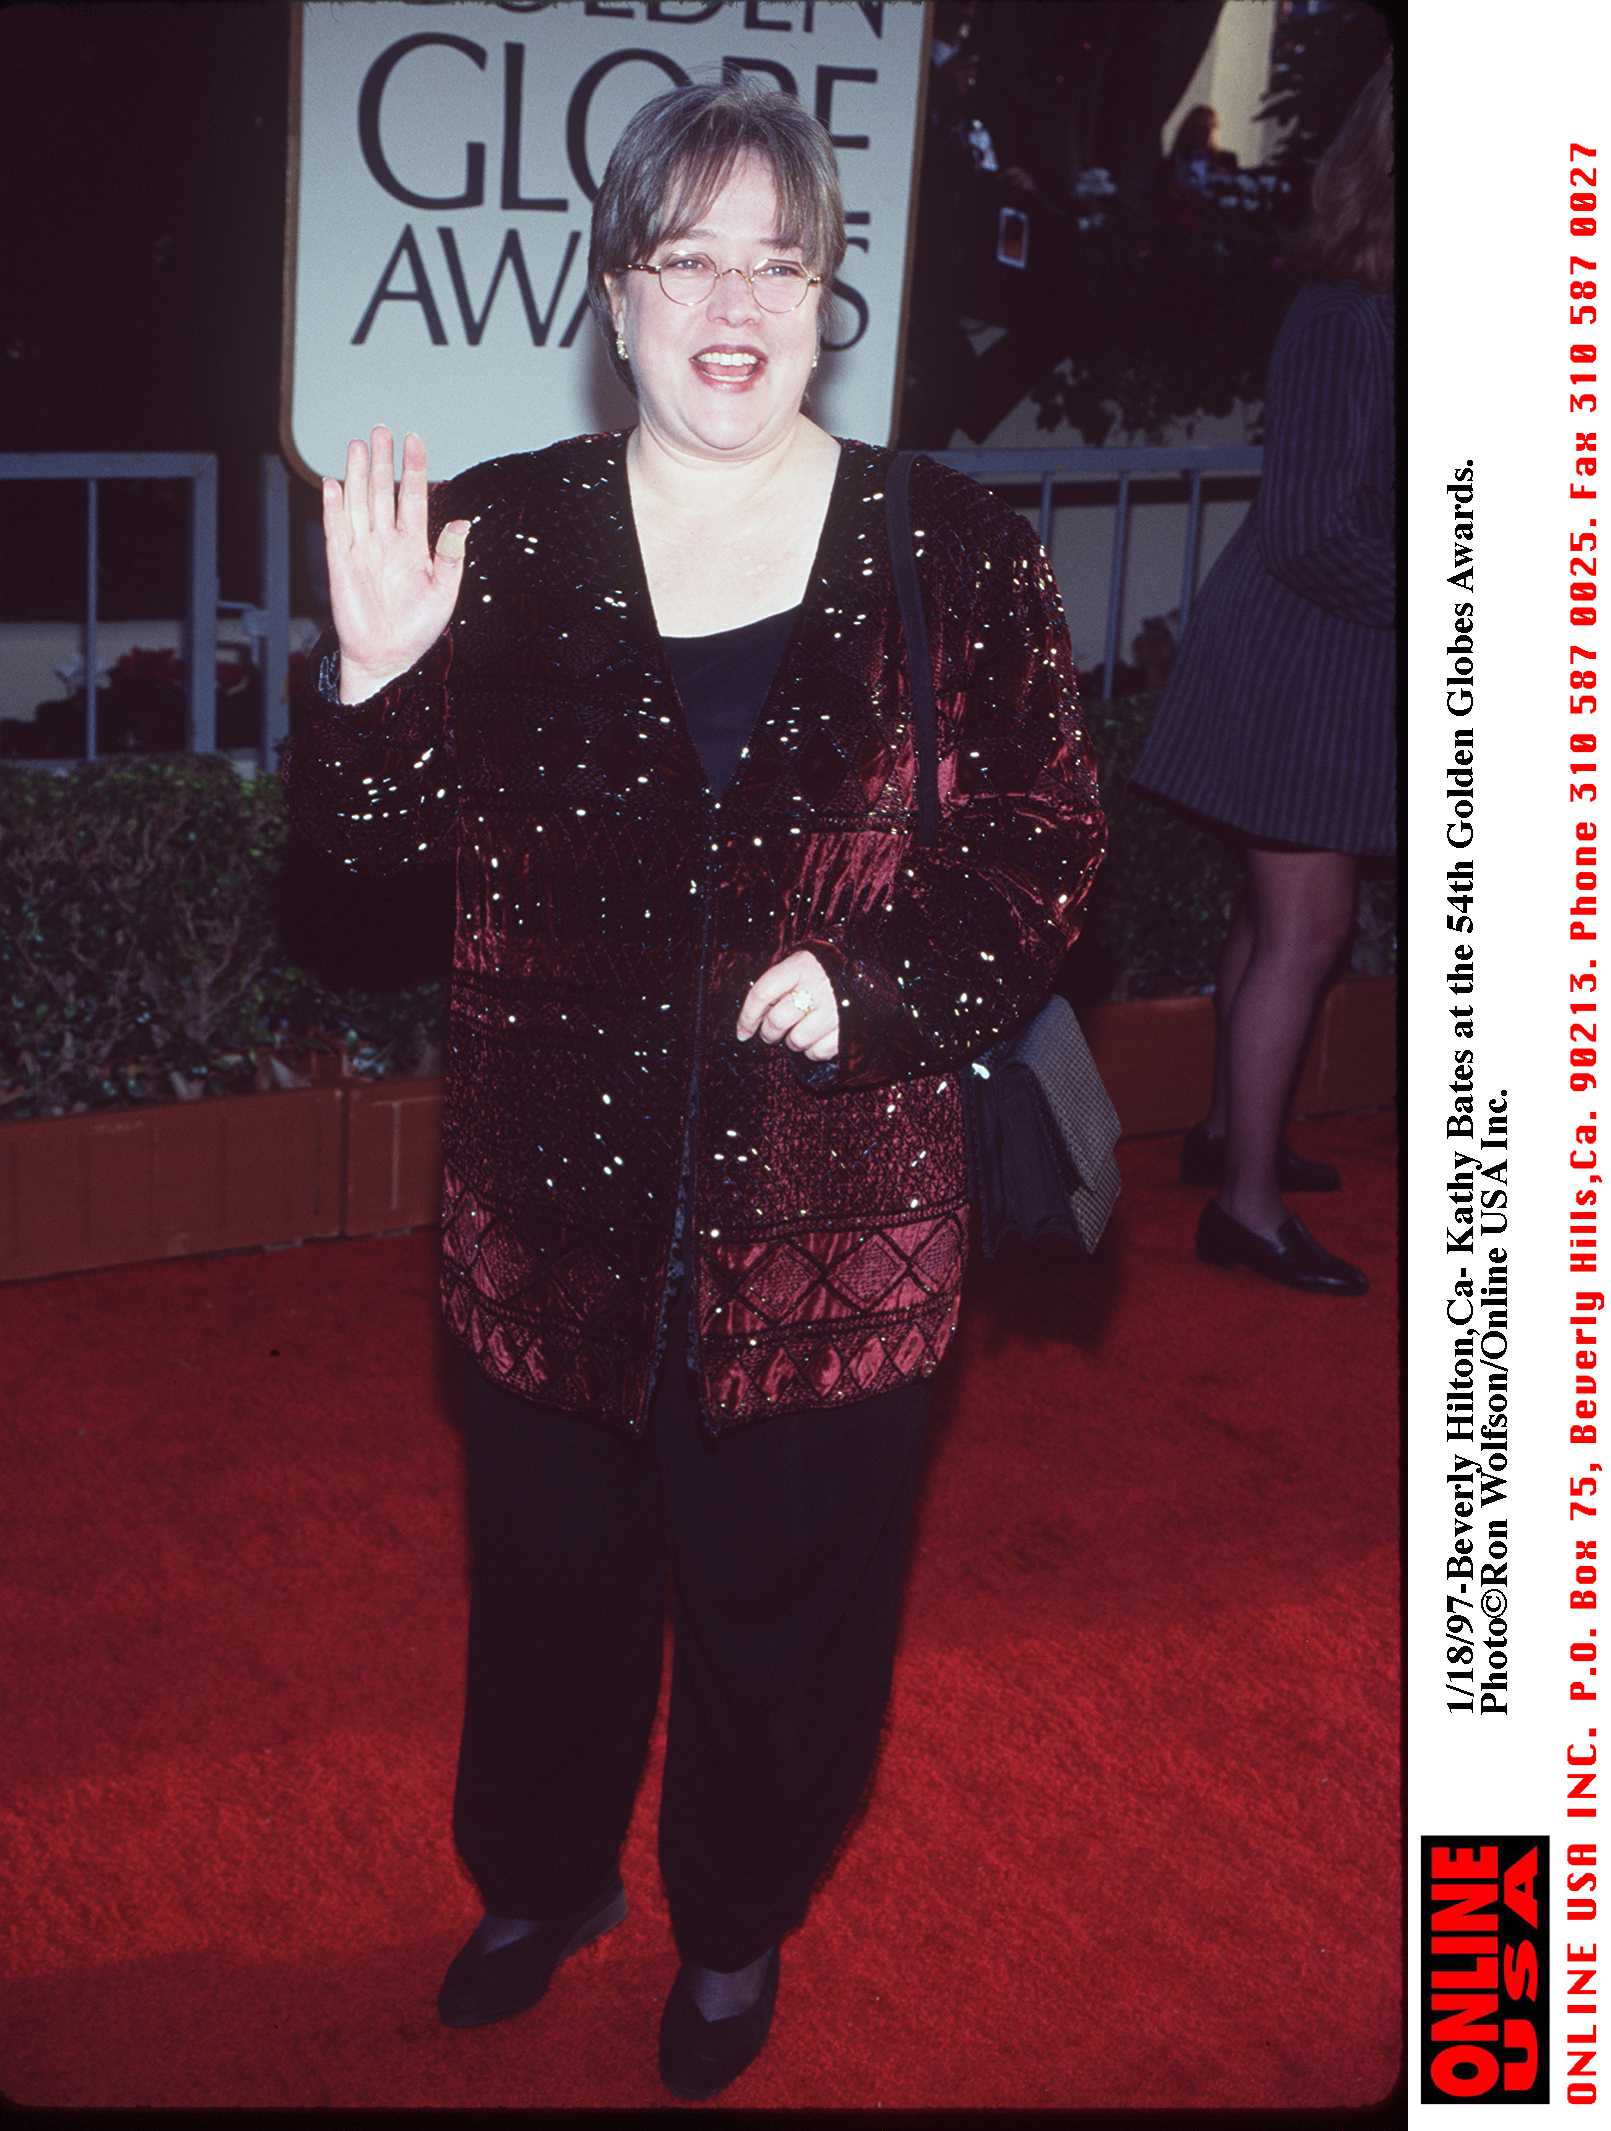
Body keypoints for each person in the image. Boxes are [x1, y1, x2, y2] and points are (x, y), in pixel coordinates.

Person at [281, 78, 1106, 2102]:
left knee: (787, 1617)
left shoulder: (950, 544)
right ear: (616, 293)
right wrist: (371, 699)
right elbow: (358, 921)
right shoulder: (499, 538)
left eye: (777, 260)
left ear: (828, 299)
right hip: (543, 1226)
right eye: (686, 257)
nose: (731, 302)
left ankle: (730, 1921)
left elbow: (1041, 839)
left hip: (837, 1230)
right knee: (549, 1592)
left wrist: (896, 983)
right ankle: (540, 1881)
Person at [1129, 57, 1394, 1296]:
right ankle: (1246, 1208)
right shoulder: (1351, 314)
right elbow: (1313, 532)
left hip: (1308, 649)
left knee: (1268, 917)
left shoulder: (1373, 306)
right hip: (1305, 654)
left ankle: (1232, 1135)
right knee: (1310, 925)